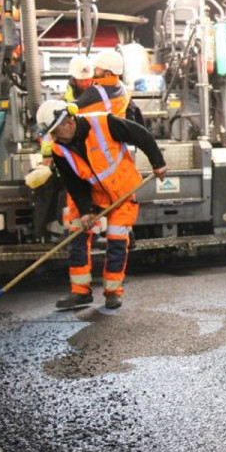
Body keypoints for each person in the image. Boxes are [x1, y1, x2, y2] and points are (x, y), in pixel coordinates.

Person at [35, 100, 168, 311]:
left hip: (121, 193)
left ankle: (113, 292)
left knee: (116, 240)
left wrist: (158, 162)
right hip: (89, 194)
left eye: (55, 131)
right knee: (77, 236)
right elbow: (74, 183)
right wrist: (86, 211)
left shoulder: (104, 123)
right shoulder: (59, 149)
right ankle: (80, 293)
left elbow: (141, 135)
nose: (54, 137)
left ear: (68, 121)